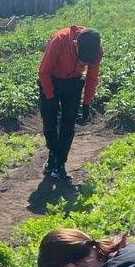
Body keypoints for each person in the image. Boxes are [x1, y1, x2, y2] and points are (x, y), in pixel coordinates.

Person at [37, 26, 103, 181]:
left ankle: (60, 165)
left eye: (86, 61)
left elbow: (92, 78)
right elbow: (43, 71)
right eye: (82, 58)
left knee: (69, 125)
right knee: (49, 122)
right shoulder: (59, 40)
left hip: (73, 82)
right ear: (75, 44)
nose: (83, 62)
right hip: (50, 79)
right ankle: (53, 154)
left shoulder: (96, 51)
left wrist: (86, 103)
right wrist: (50, 96)